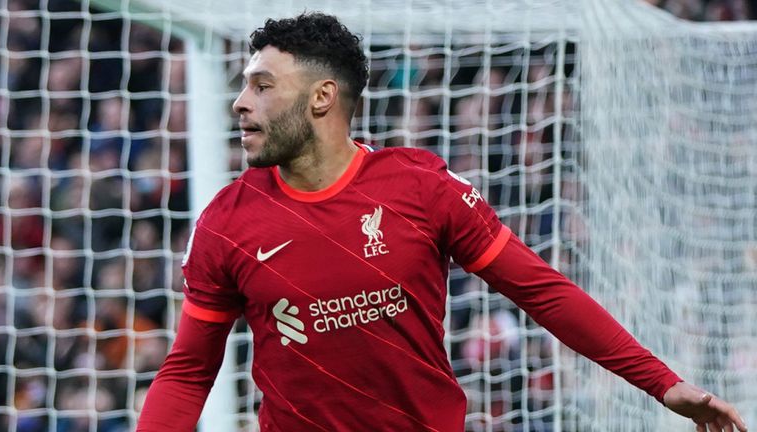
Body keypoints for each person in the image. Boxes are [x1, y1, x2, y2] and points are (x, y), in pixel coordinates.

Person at [136, 12, 748, 432]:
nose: (240, 102)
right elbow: (190, 369)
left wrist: (663, 384)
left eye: (262, 86)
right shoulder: (226, 221)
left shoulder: (419, 187)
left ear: (321, 98)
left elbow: (542, 291)